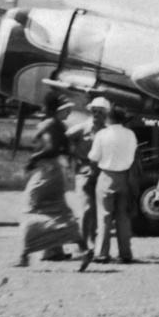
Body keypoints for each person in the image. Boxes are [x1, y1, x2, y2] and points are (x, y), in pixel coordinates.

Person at [16, 93, 88, 270]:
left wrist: (34, 158)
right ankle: (83, 249)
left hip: (46, 172)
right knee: (59, 211)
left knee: (31, 210)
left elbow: (52, 148)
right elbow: (61, 148)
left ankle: (25, 255)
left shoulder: (48, 124)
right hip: (57, 171)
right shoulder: (59, 125)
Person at [88, 103, 138, 265]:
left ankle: (102, 253)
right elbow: (132, 154)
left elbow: (94, 157)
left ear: (108, 117)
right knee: (123, 217)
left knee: (104, 216)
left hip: (106, 176)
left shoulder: (102, 134)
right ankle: (125, 253)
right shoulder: (130, 134)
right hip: (125, 177)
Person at [67, 97, 110, 252]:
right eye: (94, 111)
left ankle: (92, 240)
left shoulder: (107, 131)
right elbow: (65, 139)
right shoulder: (81, 129)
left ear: (106, 114)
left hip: (102, 172)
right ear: (90, 111)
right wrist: (70, 158)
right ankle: (84, 242)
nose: (97, 114)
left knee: (99, 209)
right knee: (86, 207)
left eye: (100, 111)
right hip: (84, 172)